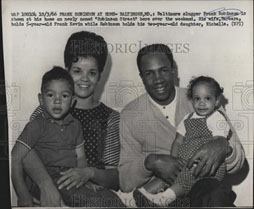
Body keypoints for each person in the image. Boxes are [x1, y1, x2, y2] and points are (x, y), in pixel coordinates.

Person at [118, 44, 245, 207]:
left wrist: (224, 147)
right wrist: (150, 162)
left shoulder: (203, 97)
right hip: (157, 198)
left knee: (214, 193)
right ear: (141, 76)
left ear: (173, 70)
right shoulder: (130, 114)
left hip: (204, 192)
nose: (158, 79)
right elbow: (125, 182)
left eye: (163, 70)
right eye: (149, 73)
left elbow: (240, 163)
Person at [19, 31, 123, 207]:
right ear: (67, 70)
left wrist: (89, 173)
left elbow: (114, 177)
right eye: (77, 71)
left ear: (100, 75)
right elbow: (26, 151)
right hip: (48, 190)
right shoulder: (49, 108)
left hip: (90, 195)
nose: (84, 79)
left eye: (92, 72)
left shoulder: (111, 118)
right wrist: (46, 185)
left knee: (112, 202)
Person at [135, 76, 233, 206]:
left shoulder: (216, 118)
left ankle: (164, 199)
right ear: (192, 100)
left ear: (216, 101)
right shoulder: (188, 118)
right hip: (186, 162)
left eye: (207, 98)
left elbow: (218, 143)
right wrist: (173, 160)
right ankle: (141, 195)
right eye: (197, 98)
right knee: (165, 176)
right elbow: (178, 141)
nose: (202, 103)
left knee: (187, 176)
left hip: (205, 166)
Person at [12, 67, 94, 206]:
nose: (57, 101)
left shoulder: (76, 125)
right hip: (47, 177)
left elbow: (80, 157)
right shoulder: (37, 125)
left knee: (105, 196)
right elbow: (15, 157)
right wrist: (22, 193)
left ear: (72, 101)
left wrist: (83, 177)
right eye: (50, 95)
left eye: (64, 96)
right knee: (89, 200)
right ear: (41, 99)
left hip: (68, 177)